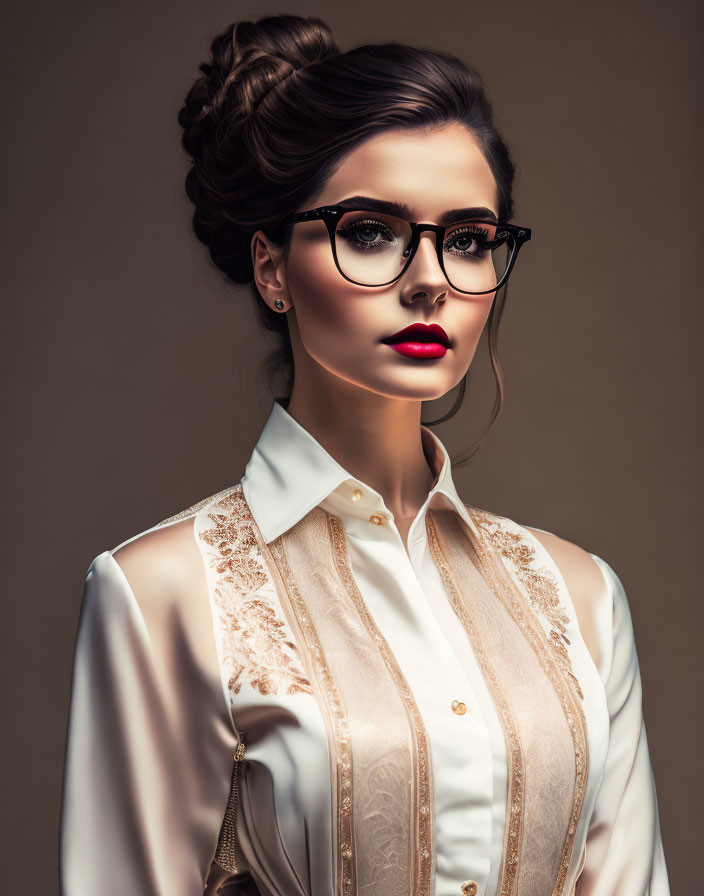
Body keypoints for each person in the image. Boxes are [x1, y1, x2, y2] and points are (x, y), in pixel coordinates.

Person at [58, 13, 671, 896]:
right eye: (373, 230)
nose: (430, 279)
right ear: (272, 269)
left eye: (466, 239)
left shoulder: (581, 598)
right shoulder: (161, 592)